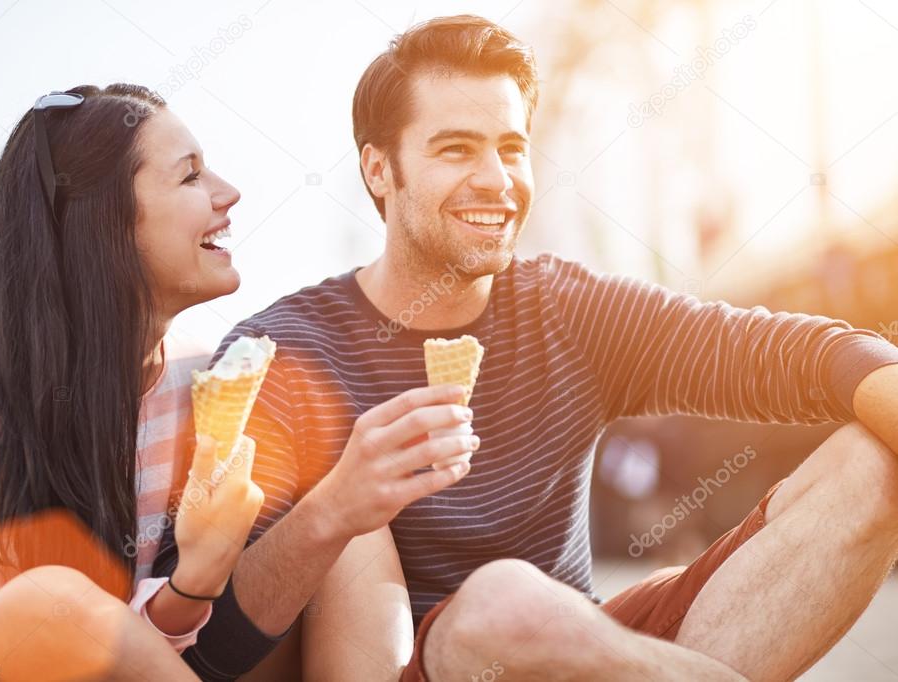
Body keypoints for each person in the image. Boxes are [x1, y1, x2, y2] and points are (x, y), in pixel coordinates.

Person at [161, 16, 898, 682]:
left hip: (591, 655)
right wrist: (333, 509)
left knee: (869, 465)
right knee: (503, 605)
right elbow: (211, 647)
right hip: (434, 662)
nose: (495, 180)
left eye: (510, 148)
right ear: (379, 170)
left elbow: (802, 357)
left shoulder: (568, 309)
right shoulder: (280, 352)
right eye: (455, 149)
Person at [0, 83, 266, 681]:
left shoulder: (201, 378)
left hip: (127, 657)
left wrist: (337, 510)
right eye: (190, 177)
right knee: (51, 598)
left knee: (327, 519)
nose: (228, 193)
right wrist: (192, 585)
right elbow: (52, 644)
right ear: (104, 220)